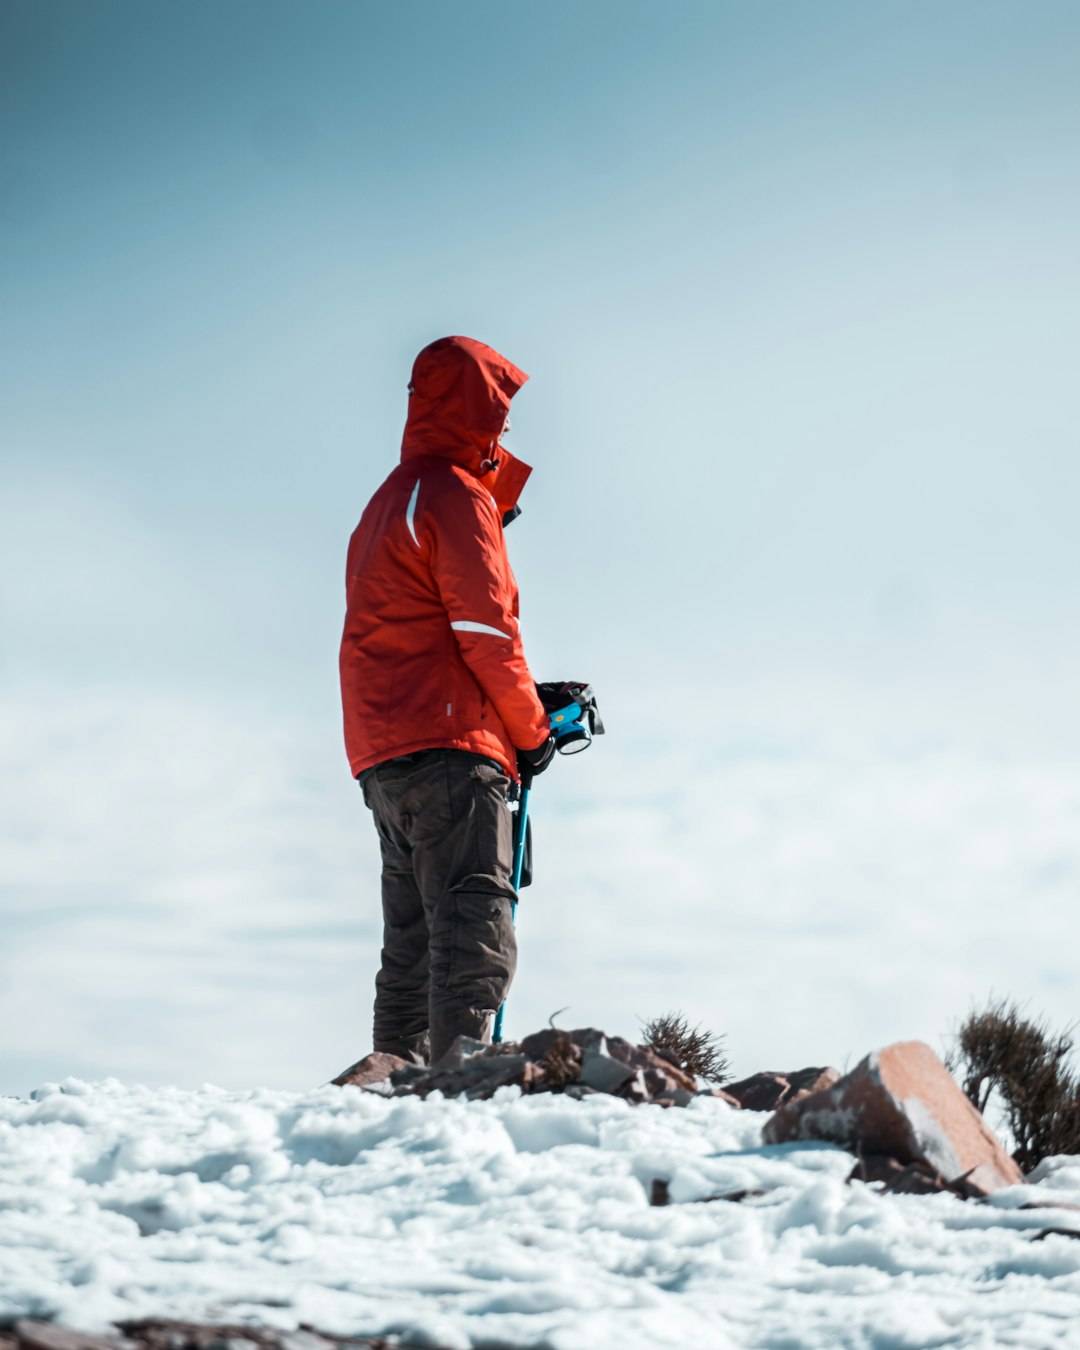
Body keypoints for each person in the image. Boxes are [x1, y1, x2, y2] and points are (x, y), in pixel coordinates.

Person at [339, 335, 555, 1066]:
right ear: (478, 411)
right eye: (501, 413)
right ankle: (454, 1104)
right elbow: (486, 632)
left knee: (410, 946)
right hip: (452, 753)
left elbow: (420, 633)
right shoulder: (456, 498)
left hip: (384, 756)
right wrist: (531, 733)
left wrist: (514, 710)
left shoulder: (385, 504)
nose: (507, 431)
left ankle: (388, 1088)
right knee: (472, 931)